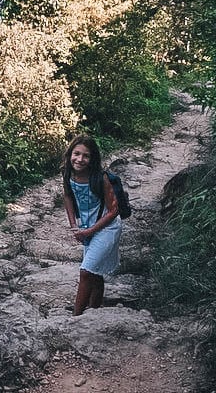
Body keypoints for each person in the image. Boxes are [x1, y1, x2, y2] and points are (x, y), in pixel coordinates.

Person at [62, 134, 121, 316]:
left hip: (107, 228)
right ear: (70, 154)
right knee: (95, 274)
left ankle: (76, 317)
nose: (80, 159)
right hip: (87, 229)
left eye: (85, 156)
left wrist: (89, 231)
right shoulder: (68, 173)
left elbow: (114, 210)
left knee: (86, 271)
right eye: (76, 153)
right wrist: (74, 226)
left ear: (92, 158)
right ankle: (94, 312)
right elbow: (68, 197)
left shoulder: (100, 178)